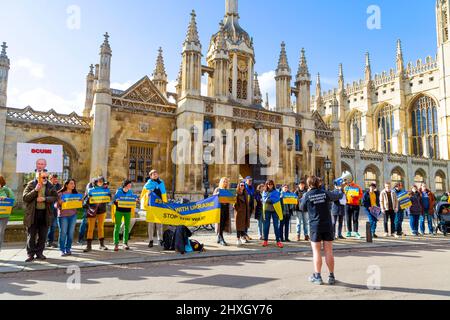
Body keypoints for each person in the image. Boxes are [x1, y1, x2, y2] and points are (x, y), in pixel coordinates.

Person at [300, 176, 344, 285]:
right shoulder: (325, 193)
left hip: (315, 226)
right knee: (329, 251)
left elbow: (302, 208)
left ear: (309, 184)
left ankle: (318, 276)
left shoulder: (307, 195)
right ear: (319, 184)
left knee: (316, 252)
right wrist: (339, 188)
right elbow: (338, 196)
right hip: (327, 225)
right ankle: (331, 276)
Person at [23, 171, 58, 262]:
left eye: (47, 177)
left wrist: (45, 199)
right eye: (43, 177)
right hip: (32, 214)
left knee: (43, 235)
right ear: (38, 177)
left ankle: (39, 253)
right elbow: (25, 198)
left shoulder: (50, 185)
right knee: (31, 235)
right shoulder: (31, 184)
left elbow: (55, 197)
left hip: (45, 214)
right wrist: (35, 190)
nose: (45, 179)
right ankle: (30, 254)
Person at [83, 176, 110, 252]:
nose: (100, 182)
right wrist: (89, 197)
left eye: (102, 181)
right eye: (99, 181)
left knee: (101, 227)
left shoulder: (105, 190)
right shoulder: (90, 190)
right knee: (90, 228)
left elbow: (108, 200)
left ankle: (101, 245)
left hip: (102, 210)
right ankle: (88, 246)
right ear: (95, 182)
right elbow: (85, 201)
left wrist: (107, 196)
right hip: (92, 210)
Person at [141, 170, 167, 248]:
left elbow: (164, 194)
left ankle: (160, 239)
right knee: (151, 224)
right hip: (151, 206)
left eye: (156, 174)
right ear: (150, 176)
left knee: (160, 223)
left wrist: (165, 204)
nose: (155, 175)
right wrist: (148, 193)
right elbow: (143, 195)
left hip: (159, 205)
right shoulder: (148, 184)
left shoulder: (161, 183)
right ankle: (151, 240)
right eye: (154, 174)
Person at [55, 179, 79, 256]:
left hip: (73, 215)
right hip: (63, 216)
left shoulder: (75, 194)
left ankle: (68, 249)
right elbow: (55, 205)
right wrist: (59, 203)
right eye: (71, 183)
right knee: (63, 233)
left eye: (74, 184)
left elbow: (78, 204)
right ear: (66, 185)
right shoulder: (60, 193)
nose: (73, 185)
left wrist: (80, 202)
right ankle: (62, 249)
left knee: (71, 233)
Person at [113, 180, 135, 251]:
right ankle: (116, 244)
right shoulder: (119, 191)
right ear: (125, 185)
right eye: (129, 184)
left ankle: (125, 243)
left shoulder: (130, 192)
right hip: (119, 211)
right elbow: (114, 201)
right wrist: (116, 201)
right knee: (117, 227)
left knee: (126, 227)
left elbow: (132, 200)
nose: (130, 185)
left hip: (127, 211)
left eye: (130, 184)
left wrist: (136, 200)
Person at [262, 180, 283, 248]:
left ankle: (278, 241)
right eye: (268, 184)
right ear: (266, 185)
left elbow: (276, 199)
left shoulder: (276, 192)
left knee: (276, 226)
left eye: (271, 184)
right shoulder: (264, 192)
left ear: (273, 185)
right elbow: (264, 199)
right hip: (267, 211)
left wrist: (269, 199)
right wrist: (269, 199)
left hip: (275, 211)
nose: (270, 185)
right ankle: (265, 240)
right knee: (266, 226)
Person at [213, 177, 232, 246]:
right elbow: (213, 198)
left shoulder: (228, 190)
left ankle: (219, 237)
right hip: (219, 209)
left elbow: (230, 200)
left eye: (226, 182)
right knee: (220, 223)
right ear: (221, 182)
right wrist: (217, 194)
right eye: (224, 181)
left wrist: (233, 197)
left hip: (226, 208)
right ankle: (221, 238)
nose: (225, 183)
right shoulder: (217, 189)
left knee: (223, 223)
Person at [47, 174, 61, 248]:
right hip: (48, 209)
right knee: (46, 227)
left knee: (53, 227)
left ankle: (50, 241)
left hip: (55, 210)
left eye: (56, 179)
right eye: (54, 179)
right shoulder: (47, 186)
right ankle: (42, 242)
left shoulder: (59, 186)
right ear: (50, 179)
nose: (56, 180)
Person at [0, 176, 15, 251]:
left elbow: (13, 202)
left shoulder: (7, 190)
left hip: (4, 216)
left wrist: (6, 199)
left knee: (0, 233)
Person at [78, 179, 94, 244]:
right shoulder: (90, 185)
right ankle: (80, 238)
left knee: (91, 222)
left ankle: (89, 236)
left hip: (93, 206)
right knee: (84, 222)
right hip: (87, 206)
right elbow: (89, 193)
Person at [234, 182, 250, 246]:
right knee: (238, 226)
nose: (242, 186)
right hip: (239, 212)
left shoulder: (245, 193)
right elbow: (234, 203)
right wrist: (238, 209)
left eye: (243, 185)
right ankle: (238, 239)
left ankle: (242, 237)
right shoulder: (236, 193)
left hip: (245, 212)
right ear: (239, 186)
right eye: (241, 185)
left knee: (243, 225)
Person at [243, 176, 255, 241]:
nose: (250, 181)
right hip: (244, 207)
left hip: (250, 207)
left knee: (247, 221)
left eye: (251, 180)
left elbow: (253, 197)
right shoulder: (243, 186)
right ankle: (243, 235)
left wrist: (253, 207)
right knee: (244, 221)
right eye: (249, 180)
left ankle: (245, 234)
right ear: (246, 180)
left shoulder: (252, 187)